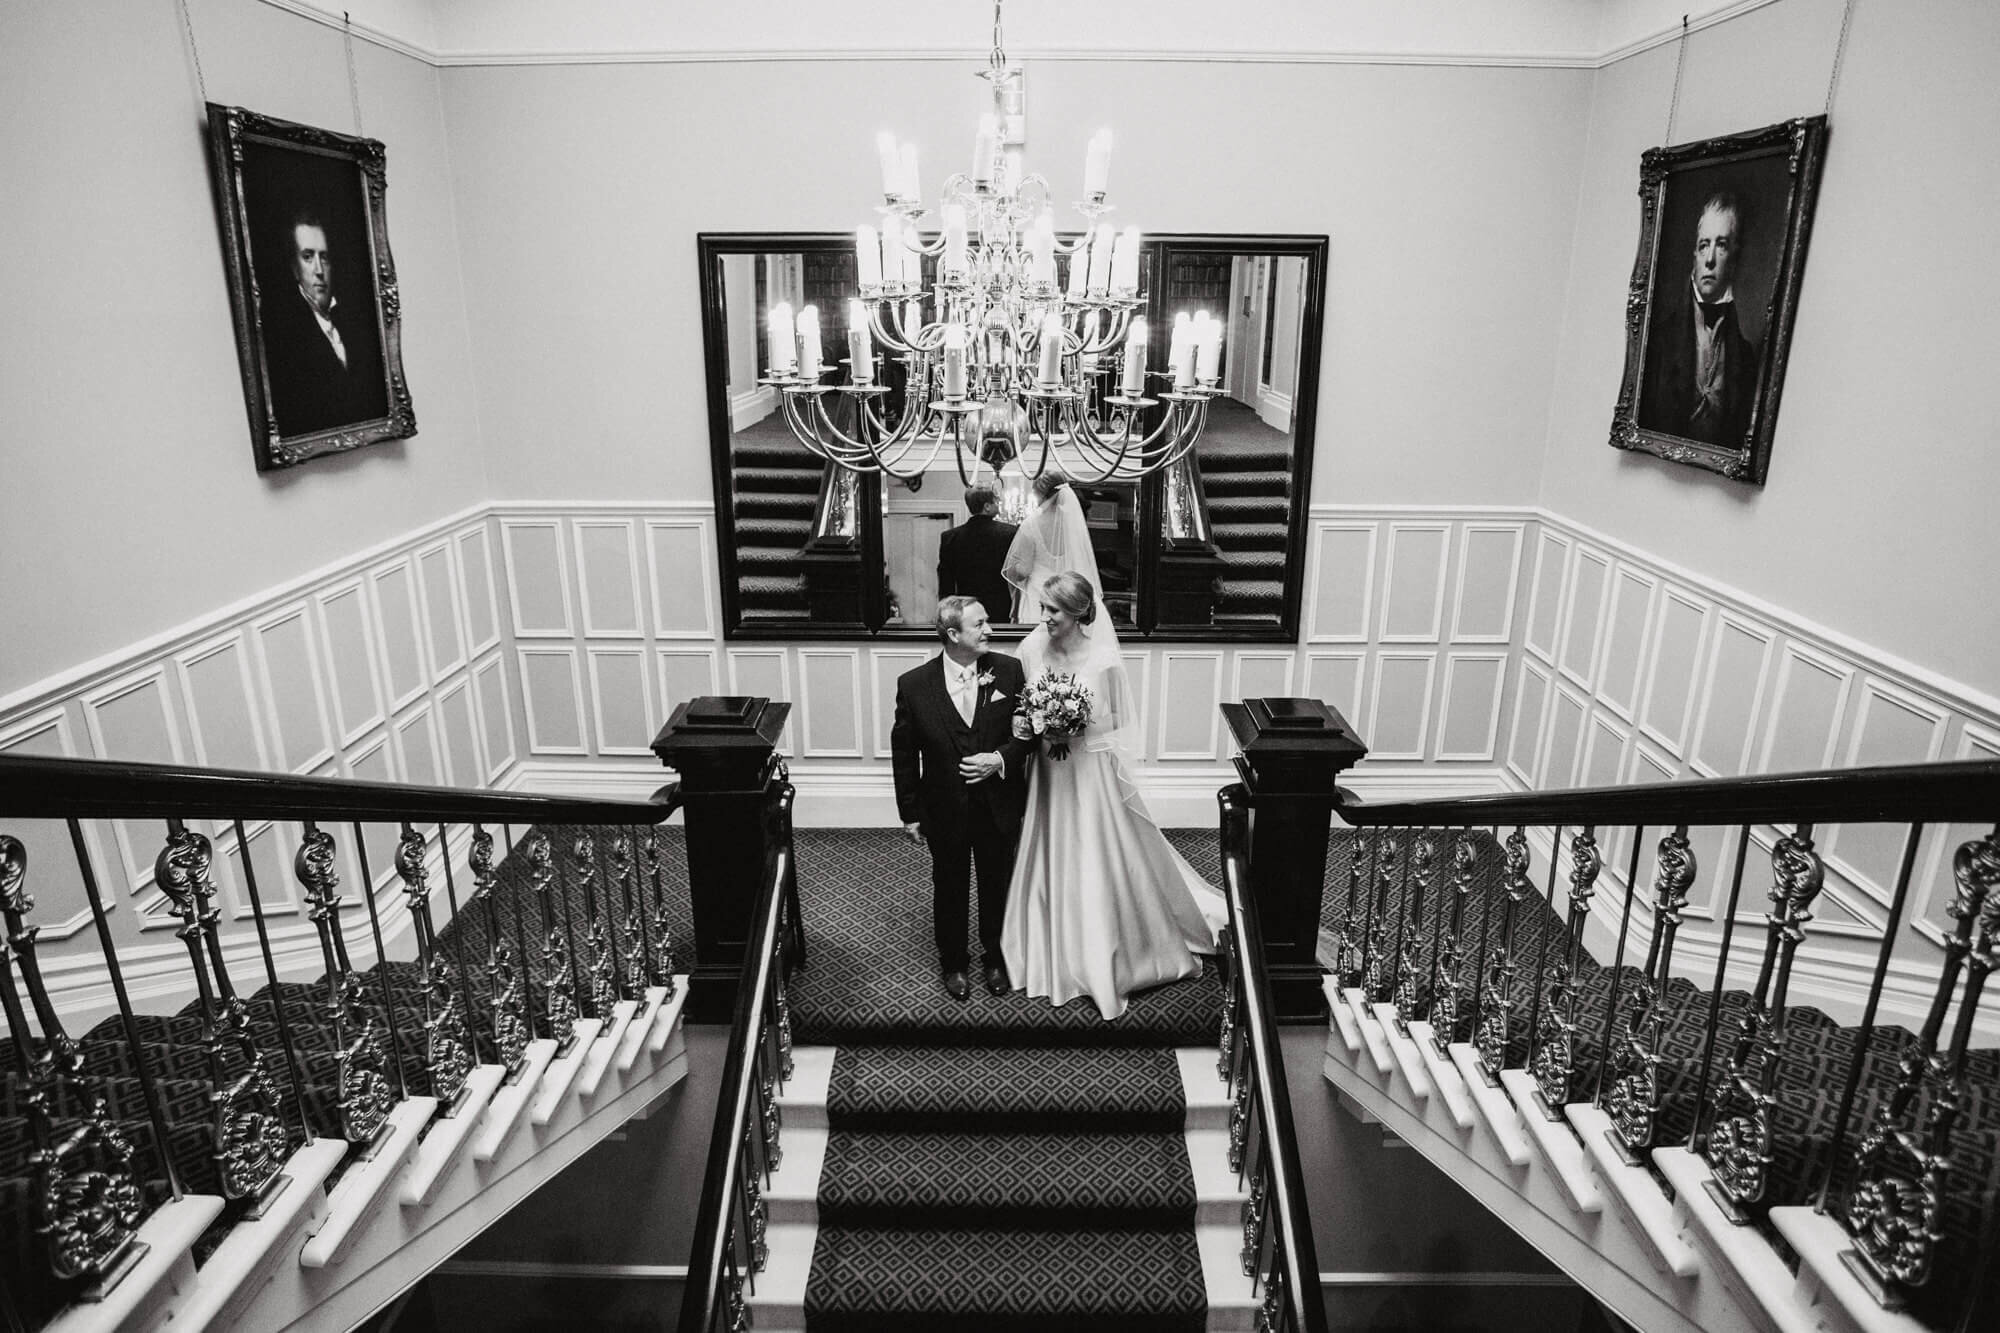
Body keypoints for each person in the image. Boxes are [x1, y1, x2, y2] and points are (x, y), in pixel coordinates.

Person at [999, 567, 1228, 1020]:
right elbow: (1019, 707)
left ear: (1079, 614)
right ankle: (1045, 945)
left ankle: (1109, 951)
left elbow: (1120, 721)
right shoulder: (1029, 648)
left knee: (1094, 851)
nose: (1043, 617)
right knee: (1048, 847)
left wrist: (1073, 725)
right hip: (1047, 772)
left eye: (1053, 611)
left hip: (1088, 770)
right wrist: (1031, 723)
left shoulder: (1102, 659)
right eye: (1043, 607)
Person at [889, 597, 1036, 1001]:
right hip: (944, 808)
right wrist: (909, 813)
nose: (990, 630)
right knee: (949, 885)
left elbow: (1027, 736)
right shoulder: (914, 685)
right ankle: (953, 962)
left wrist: (999, 759)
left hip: (998, 805)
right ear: (953, 634)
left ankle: (995, 956)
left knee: (997, 883)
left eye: (987, 622)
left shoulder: (1009, 672)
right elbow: (904, 752)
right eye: (980, 624)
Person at [1640, 190, 1760, 448]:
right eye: (1704, 245)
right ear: (1694, 255)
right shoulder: (1659, 341)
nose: (1710, 260)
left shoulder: (1746, 359)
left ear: (1734, 258)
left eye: (1722, 245)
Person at [261, 209, 384, 436]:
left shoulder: (354, 322)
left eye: (324, 257)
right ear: (294, 267)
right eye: (307, 257)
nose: (319, 270)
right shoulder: (285, 337)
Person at [1003, 473, 1097, 623]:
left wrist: (1014, 568)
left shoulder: (1032, 523)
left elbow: (1023, 570)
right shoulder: (1074, 524)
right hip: (1069, 595)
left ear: (1042, 495)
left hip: (1039, 596)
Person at [937, 485, 1019, 622]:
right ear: (987, 506)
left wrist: (947, 614)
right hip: (1001, 607)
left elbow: (946, 582)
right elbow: (1016, 574)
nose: (998, 505)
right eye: (996, 502)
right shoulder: (1010, 533)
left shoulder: (950, 537)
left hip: (967, 609)